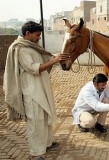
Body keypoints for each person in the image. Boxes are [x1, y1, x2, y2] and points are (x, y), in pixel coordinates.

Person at [3, 21, 69, 160]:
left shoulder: (32, 46)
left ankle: (47, 143)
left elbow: (45, 59)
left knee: (44, 117)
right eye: (37, 35)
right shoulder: (20, 49)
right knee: (35, 121)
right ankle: (36, 152)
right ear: (28, 34)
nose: (39, 37)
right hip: (31, 91)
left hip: (41, 87)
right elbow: (34, 68)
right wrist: (54, 61)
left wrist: (58, 57)